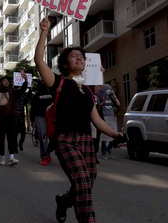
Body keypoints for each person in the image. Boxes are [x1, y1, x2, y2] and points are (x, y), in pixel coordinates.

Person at [35, 16, 125, 223]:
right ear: (65, 65)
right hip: (66, 141)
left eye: (82, 57)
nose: (79, 59)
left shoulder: (86, 91)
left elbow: (97, 120)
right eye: (74, 56)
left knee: (85, 184)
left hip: (86, 142)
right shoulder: (57, 82)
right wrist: (45, 32)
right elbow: (39, 61)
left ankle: (64, 201)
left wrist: (115, 134)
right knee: (83, 183)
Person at [0, 73, 27, 166]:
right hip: (0, 119)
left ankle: (11, 157)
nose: (7, 82)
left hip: (11, 118)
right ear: (1, 83)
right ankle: (2, 157)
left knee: (12, 137)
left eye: (7, 81)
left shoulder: (12, 92)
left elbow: (22, 91)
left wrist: (25, 81)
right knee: (1, 139)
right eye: (4, 81)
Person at [30, 81, 53, 166]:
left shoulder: (52, 94)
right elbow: (33, 110)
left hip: (50, 117)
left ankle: (48, 151)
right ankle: (44, 156)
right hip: (40, 117)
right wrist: (33, 120)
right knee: (43, 136)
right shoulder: (35, 97)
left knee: (54, 137)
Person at [98, 84, 121, 159]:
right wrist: (103, 100)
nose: (109, 91)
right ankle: (103, 153)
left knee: (113, 136)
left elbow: (118, 104)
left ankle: (109, 148)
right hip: (104, 117)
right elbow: (99, 105)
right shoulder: (102, 97)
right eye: (107, 89)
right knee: (105, 136)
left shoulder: (112, 97)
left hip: (111, 118)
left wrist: (114, 95)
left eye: (110, 89)